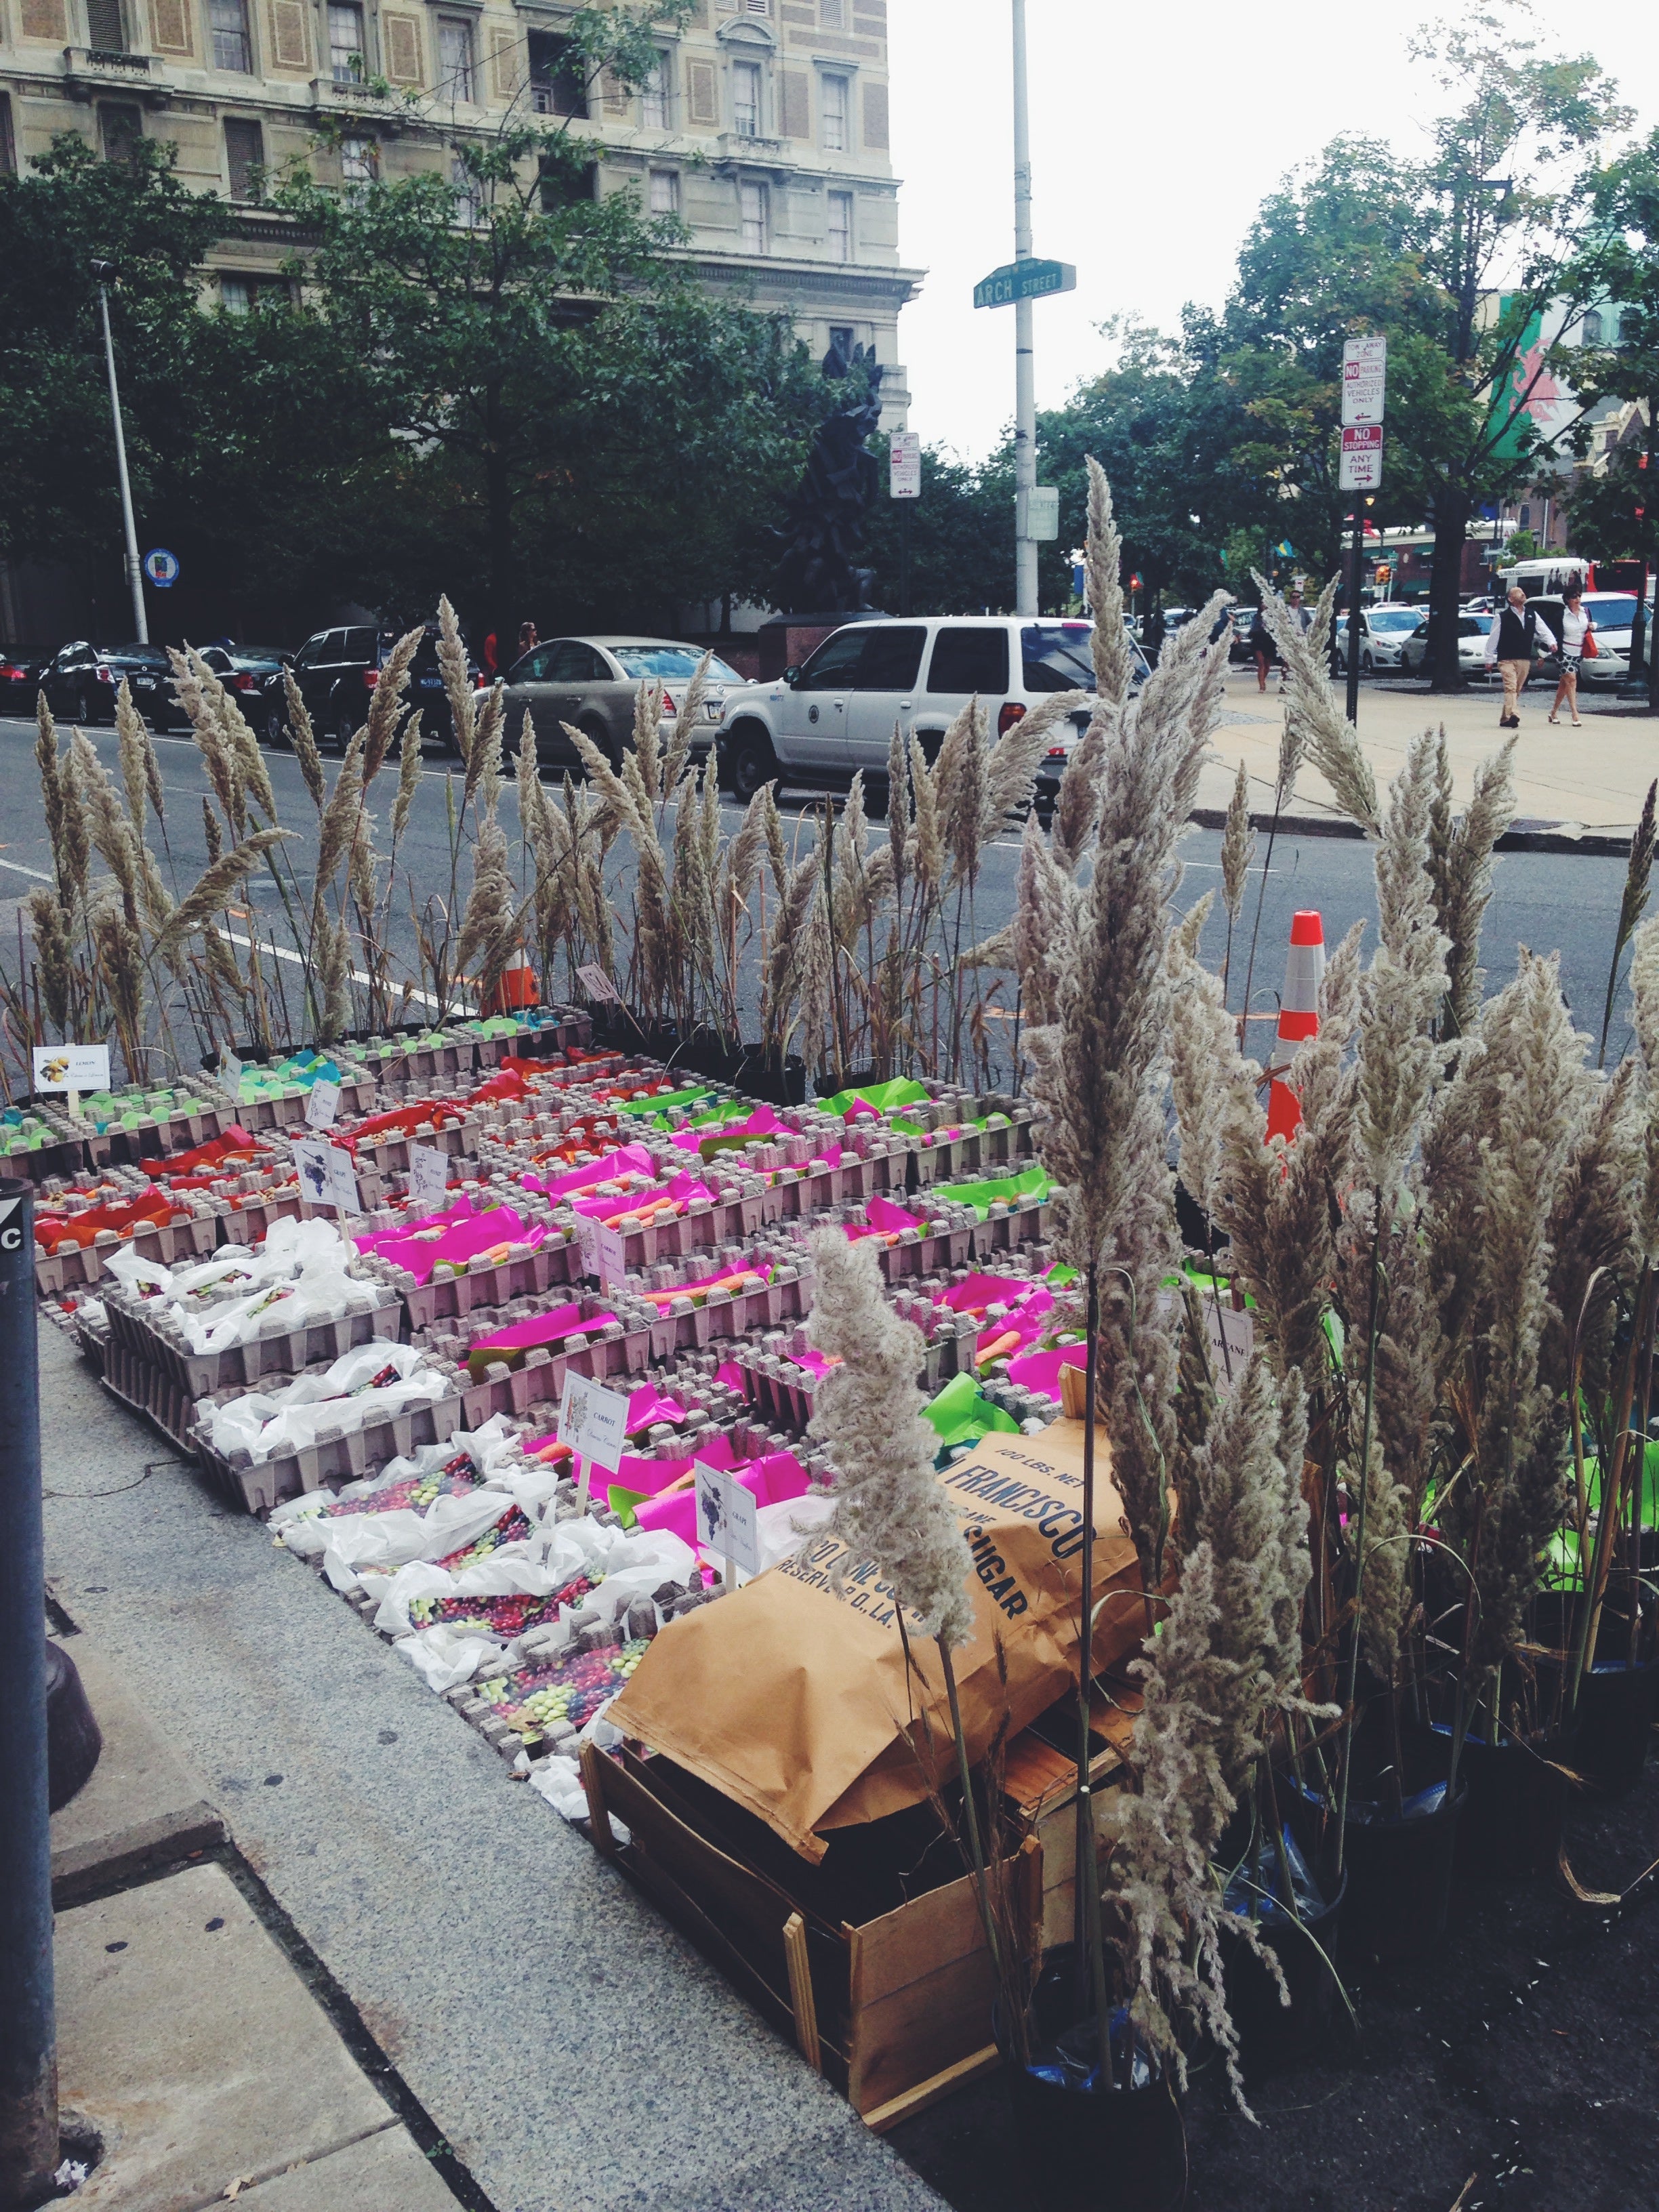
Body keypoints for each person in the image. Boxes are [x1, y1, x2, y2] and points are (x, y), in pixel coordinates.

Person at [1482, 584, 1559, 729]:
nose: (1523, 594)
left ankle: (1505, 718)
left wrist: (1551, 642)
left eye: (1523, 592)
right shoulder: (1502, 617)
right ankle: (1514, 714)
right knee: (1510, 687)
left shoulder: (1532, 614)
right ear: (1511, 599)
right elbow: (1493, 638)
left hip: (1524, 658)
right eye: (1518, 593)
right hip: (1506, 659)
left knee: (1516, 689)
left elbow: (1544, 630)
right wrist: (1489, 659)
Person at [1549, 586, 1591, 727]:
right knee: (1572, 680)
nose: (1578, 599)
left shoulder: (1586, 612)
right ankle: (1575, 714)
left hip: (1578, 652)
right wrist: (1545, 654)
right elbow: (1554, 635)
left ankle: (1553, 712)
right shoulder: (1561, 615)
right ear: (1567, 599)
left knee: (1564, 684)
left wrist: (1592, 626)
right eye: (1574, 597)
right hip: (1564, 652)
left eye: (1579, 596)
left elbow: (1587, 629)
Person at [1277, 587, 1312, 692]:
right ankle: (1283, 683)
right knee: (1286, 662)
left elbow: (1310, 624)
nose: (1296, 599)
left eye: (1298, 597)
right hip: (1288, 639)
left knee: (1301, 662)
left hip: (1300, 638)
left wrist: (1304, 631)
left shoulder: (1303, 612)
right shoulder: (1285, 611)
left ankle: (1300, 685)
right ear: (1290, 598)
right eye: (1294, 597)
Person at [1248, 605, 1273, 693]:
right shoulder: (1257, 616)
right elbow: (1253, 627)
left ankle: (1263, 679)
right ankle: (1261, 685)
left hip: (1269, 641)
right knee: (1261, 662)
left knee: (1267, 664)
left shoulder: (1272, 616)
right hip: (1258, 640)